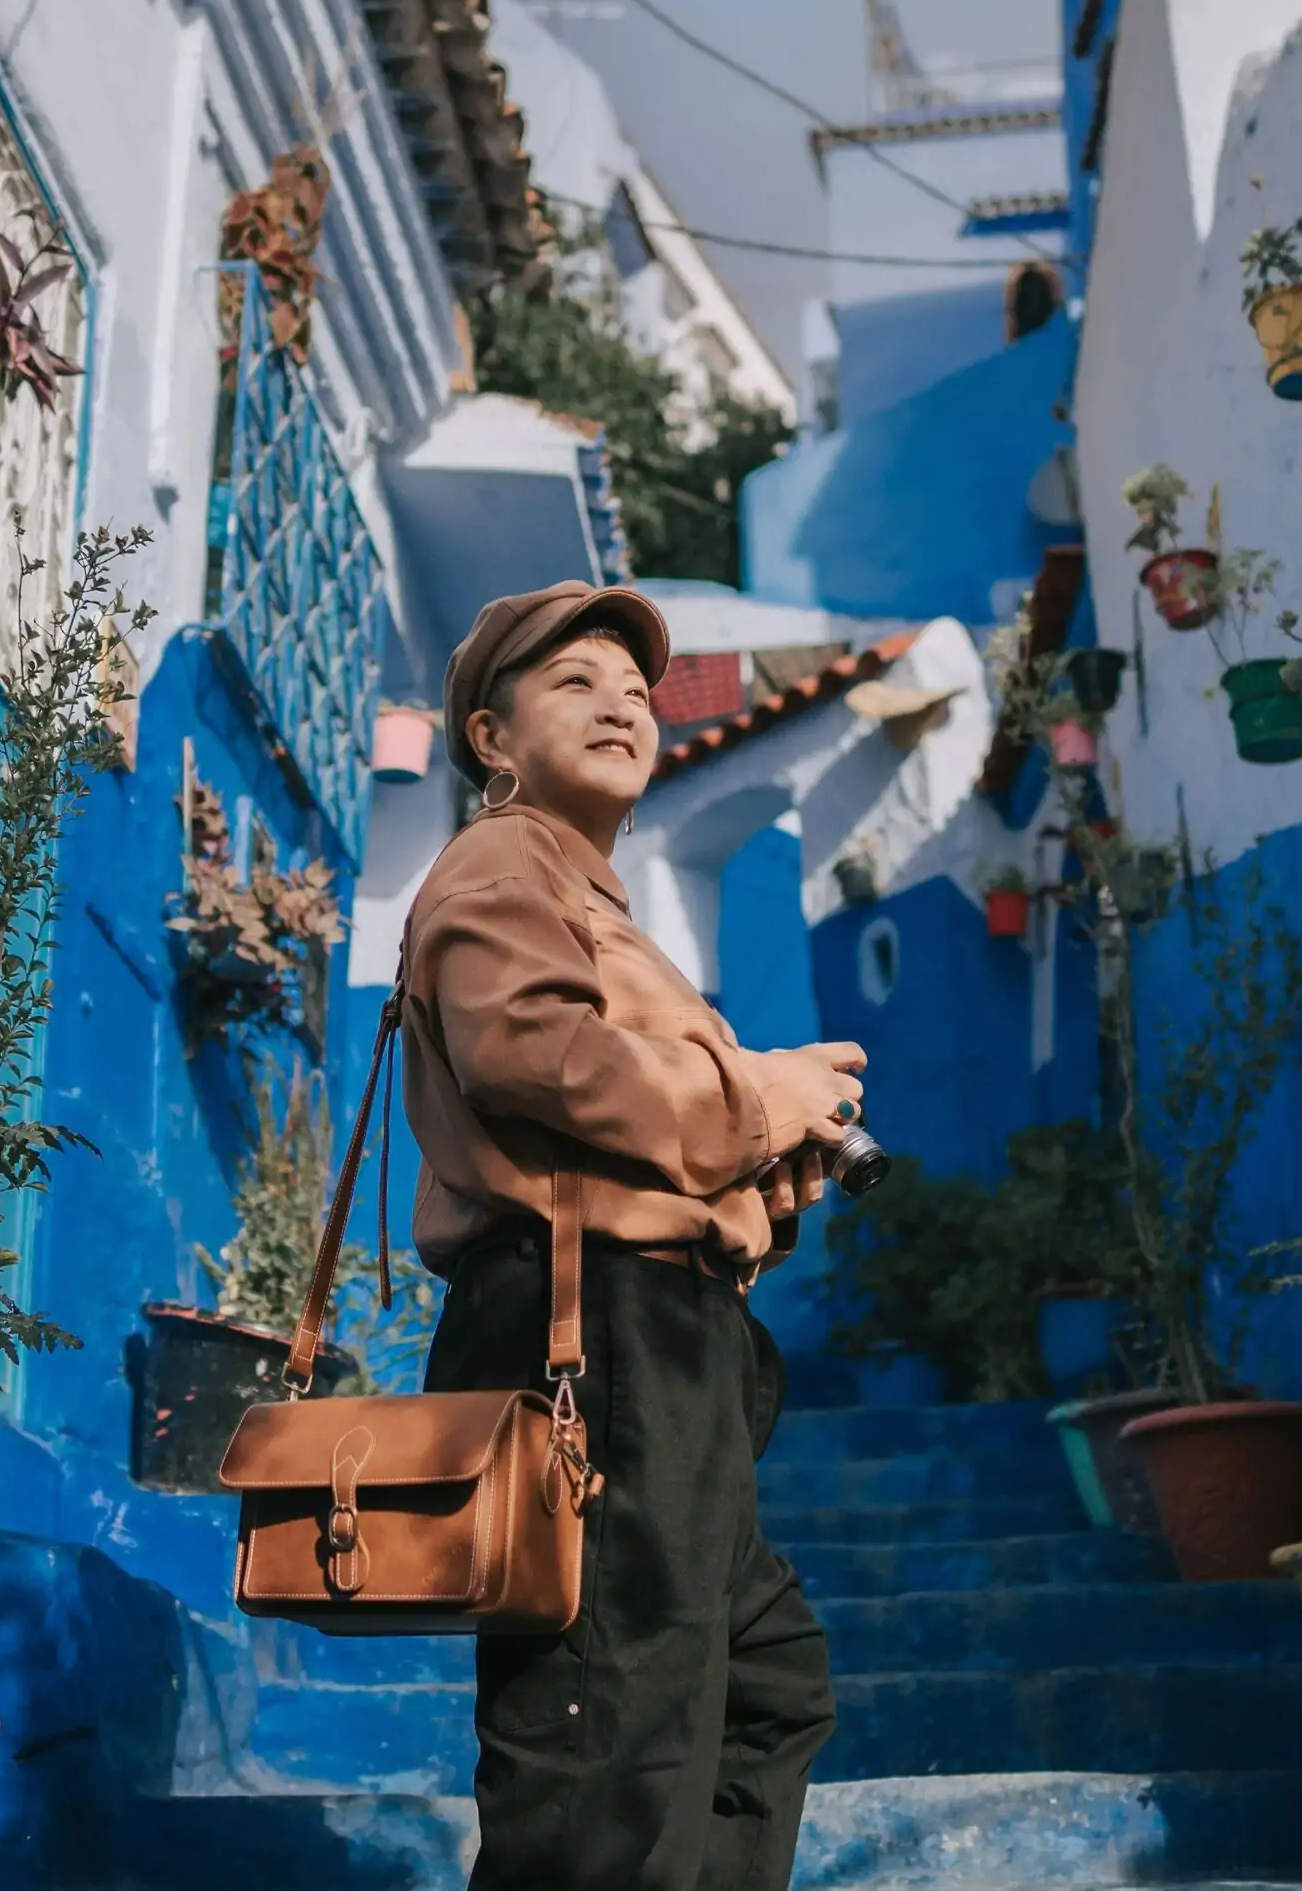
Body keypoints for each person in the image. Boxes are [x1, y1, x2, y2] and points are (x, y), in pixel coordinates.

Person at [402, 581, 866, 1891]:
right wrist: (752, 1098)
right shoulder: (505, 857)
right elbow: (529, 1054)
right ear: (492, 738)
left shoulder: (593, 901)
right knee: (605, 1729)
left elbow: (615, 1108)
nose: (623, 701)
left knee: (757, 1683)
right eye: (575, 682)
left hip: (658, 1333)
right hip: (587, 1334)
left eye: (638, 688)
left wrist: (764, 1165)